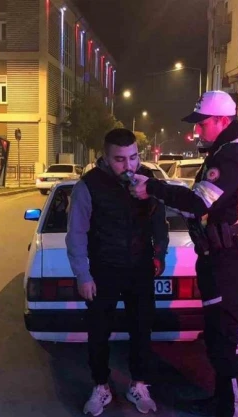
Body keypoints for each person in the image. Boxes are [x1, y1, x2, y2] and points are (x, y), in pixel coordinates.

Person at [129, 90, 238, 417]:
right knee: (217, 335)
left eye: (202, 123)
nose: (197, 130)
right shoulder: (226, 150)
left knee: (227, 337)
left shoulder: (231, 153)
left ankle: (231, 410)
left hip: (226, 257)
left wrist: (153, 187)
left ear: (223, 120)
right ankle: (221, 401)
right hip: (219, 254)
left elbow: (198, 203)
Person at [66, 128, 169, 416]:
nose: (129, 165)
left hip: (140, 268)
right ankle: (101, 386)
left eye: (133, 157)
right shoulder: (88, 186)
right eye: (120, 159)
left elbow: (160, 224)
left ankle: (139, 384)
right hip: (103, 269)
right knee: (99, 331)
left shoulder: (149, 180)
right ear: (106, 157)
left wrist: (159, 255)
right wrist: (83, 275)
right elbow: (76, 233)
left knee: (142, 328)